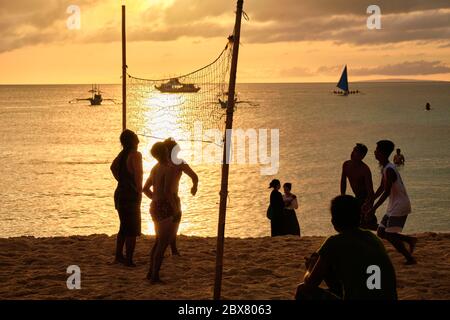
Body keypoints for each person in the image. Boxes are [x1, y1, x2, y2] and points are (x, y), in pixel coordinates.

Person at [295, 195, 398, 300]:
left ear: (333, 221)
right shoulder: (373, 238)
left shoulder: (333, 243)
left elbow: (310, 285)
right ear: (359, 218)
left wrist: (310, 268)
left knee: (302, 290)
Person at [365, 140, 417, 265]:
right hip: (394, 205)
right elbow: (382, 187)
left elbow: (386, 192)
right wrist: (370, 200)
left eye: (377, 150)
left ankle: (410, 258)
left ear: (382, 153)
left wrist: (374, 208)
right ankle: (409, 240)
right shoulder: (385, 168)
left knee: (390, 235)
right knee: (382, 232)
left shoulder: (389, 170)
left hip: (400, 205)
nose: (375, 152)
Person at [143, 142, 177, 283]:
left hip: (154, 206)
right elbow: (168, 192)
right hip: (164, 207)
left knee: (158, 242)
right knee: (162, 244)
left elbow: (145, 189)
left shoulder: (155, 168)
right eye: (166, 149)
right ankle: (155, 276)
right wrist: (175, 209)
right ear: (164, 152)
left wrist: (155, 199)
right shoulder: (167, 168)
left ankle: (151, 272)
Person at [110, 130, 143, 267]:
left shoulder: (122, 154)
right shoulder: (135, 155)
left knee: (124, 226)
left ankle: (119, 256)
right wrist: (138, 191)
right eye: (135, 137)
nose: (137, 138)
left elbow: (113, 167)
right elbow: (138, 175)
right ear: (132, 141)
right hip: (130, 194)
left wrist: (121, 179)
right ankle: (129, 259)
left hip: (120, 193)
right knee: (132, 230)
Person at [163, 138, 198, 256]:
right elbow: (194, 177)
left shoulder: (161, 164)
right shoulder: (178, 163)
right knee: (174, 223)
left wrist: (195, 186)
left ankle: (172, 248)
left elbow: (194, 176)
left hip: (161, 197)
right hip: (172, 196)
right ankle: (173, 249)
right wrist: (194, 187)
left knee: (167, 225)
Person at [340, 143, 377, 230]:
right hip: (357, 198)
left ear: (362, 156)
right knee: (356, 222)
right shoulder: (346, 165)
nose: (352, 153)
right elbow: (343, 181)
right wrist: (342, 195)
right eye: (353, 150)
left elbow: (370, 190)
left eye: (356, 151)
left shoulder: (365, 169)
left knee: (368, 224)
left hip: (366, 198)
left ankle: (384, 230)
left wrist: (368, 204)